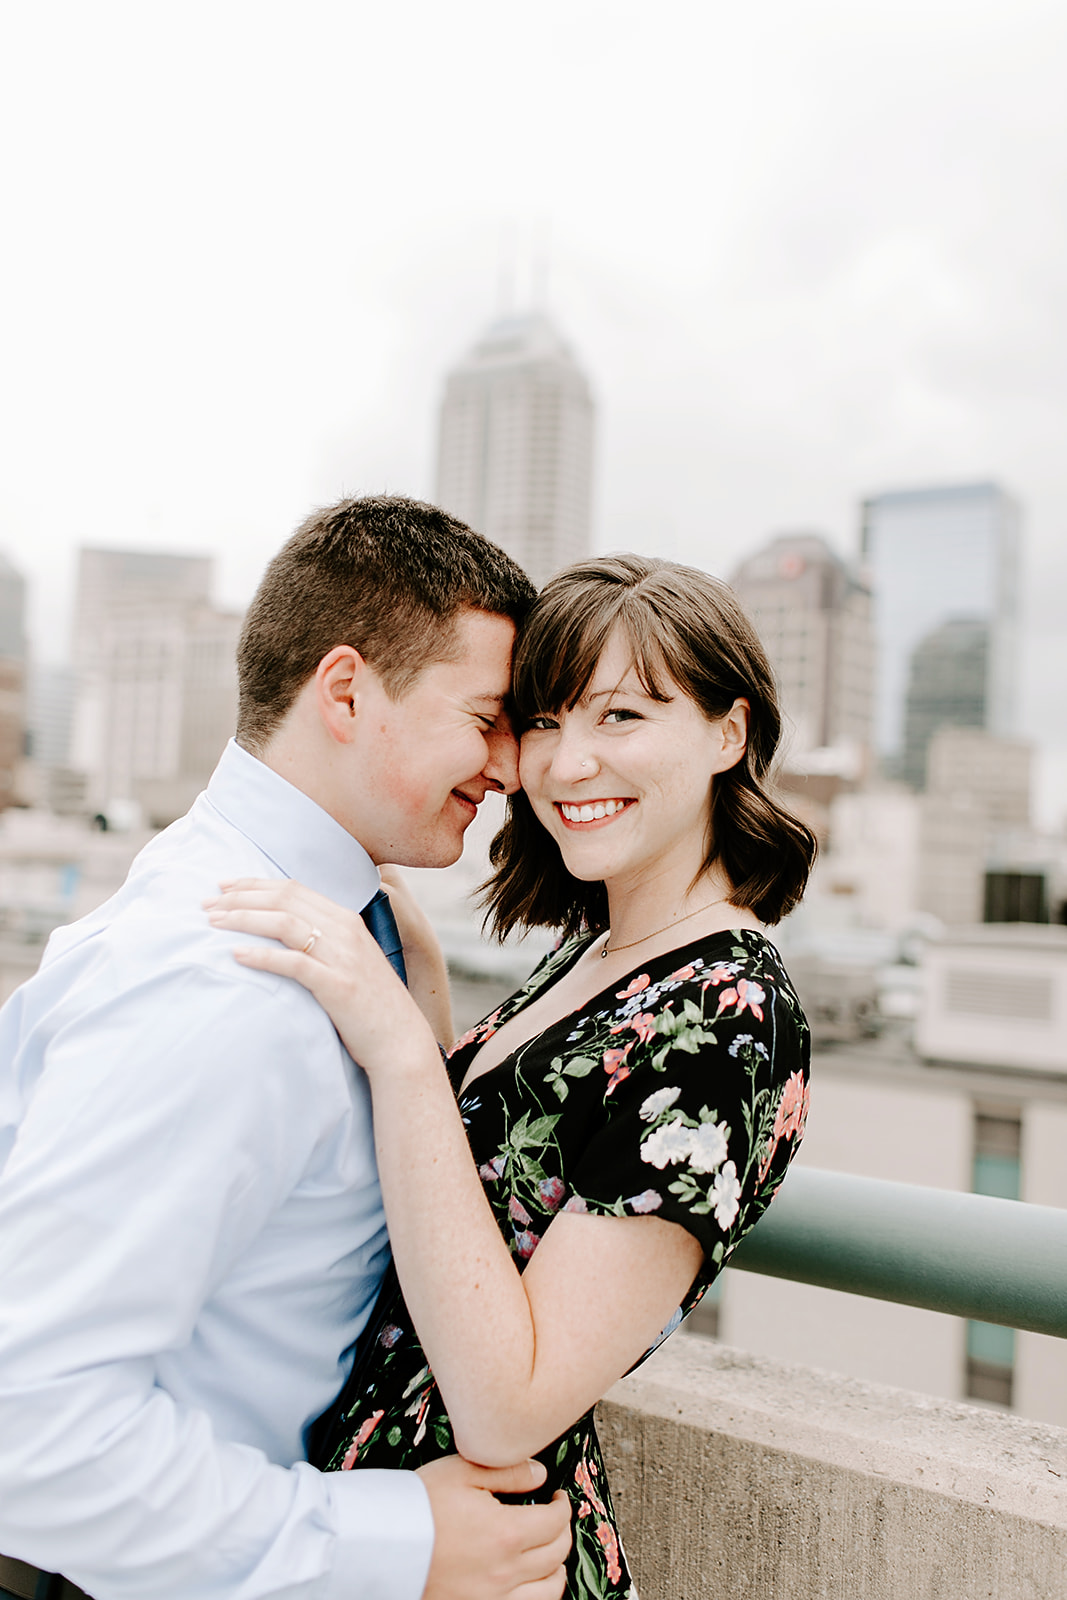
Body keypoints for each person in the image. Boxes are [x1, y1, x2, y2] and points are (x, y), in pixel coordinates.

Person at [205, 553, 818, 1599]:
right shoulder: (595, 952)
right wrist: (427, 992)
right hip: (374, 1524)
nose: (566, 763)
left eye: (620, 716)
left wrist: (399, 1044)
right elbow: (491, 1187)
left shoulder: (731, 1015)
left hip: (482, 1555)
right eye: (542, 720)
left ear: (729, 731)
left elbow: (508, 1400)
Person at [0, 497, 572, 1600]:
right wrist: (396, 1543)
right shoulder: (223, 981)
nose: (509, 766)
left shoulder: (328, 925)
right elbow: (30, 1423)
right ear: (347, 690)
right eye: (488, 716)